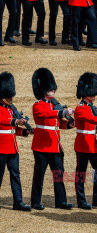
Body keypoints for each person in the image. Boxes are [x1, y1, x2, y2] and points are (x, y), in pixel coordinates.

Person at [31, 68, 74, 210]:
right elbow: (47, 115)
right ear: (44, 90)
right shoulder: (38, 105)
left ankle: (61, 201)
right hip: (42, 146)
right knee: (39, 175)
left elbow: (57, 123)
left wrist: (69, 124)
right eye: (50, 89)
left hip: (55, 146)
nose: (53, 90)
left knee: (59, 174)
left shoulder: (53, 105)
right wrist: (62, 112)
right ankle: (35, 201)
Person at [74, 72, 97, 210]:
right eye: (91, 92)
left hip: (92, 143)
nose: (93, 95)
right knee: (81, 173)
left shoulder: (90, 107)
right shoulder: (81, 108)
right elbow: (89, 120)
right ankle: (81, 201)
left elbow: (91, 127)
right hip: (83, 144)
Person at [0, 71, 31, 211]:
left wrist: (24, 131)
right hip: (1, 148)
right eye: (8, 96)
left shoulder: (11, 109)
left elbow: (12, 130)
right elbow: (3, 122)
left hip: (12, 148)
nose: (11, 99)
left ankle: (18, 202)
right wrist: (15, 121)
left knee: (15, 175)